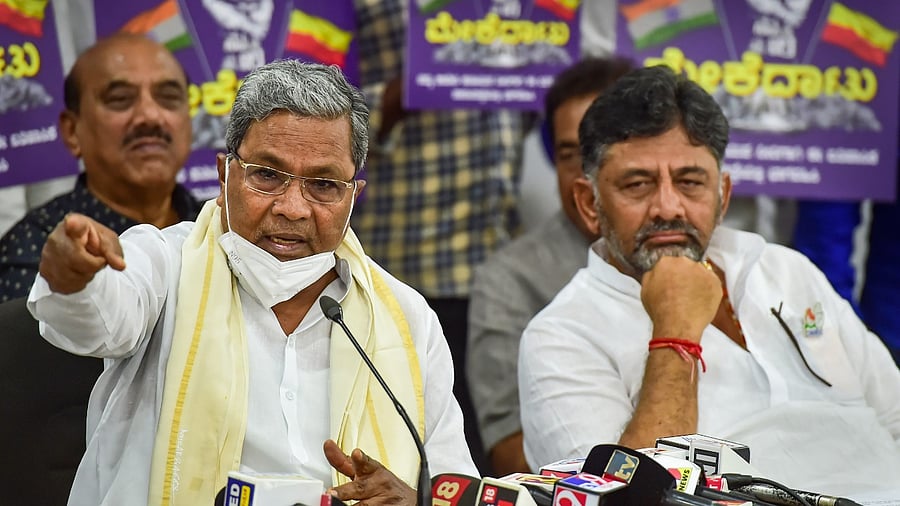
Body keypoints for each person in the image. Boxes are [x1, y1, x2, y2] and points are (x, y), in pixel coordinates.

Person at [28, 60, 476, 506]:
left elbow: (455, 486)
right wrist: (73, 277)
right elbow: (96, 317)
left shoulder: (405, 318)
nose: (292, 208)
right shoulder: (166, 264)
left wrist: (417, 501)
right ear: (225, 176)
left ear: (353, 196)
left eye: (323, 184)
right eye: (267, 176)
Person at [517, 65, 900, 497]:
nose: (668, 207)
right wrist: (674, 334)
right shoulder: (561, 337)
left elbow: (894, 416)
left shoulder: (785, 270)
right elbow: (624, 500)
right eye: (638, 184)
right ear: (590, 203)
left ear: (723, 195)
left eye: (690, 182)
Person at [466, 56, 633, 476]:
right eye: (570, 154)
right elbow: (507, 456)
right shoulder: (508, 280)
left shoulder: (709, 257)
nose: (586, 174)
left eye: (603, 148)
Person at [0, 33, 202, 302]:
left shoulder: (225, 226)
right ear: (72, 131)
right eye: (120, 99)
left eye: (168, 97)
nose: (150, 116)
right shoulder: (34, 252)